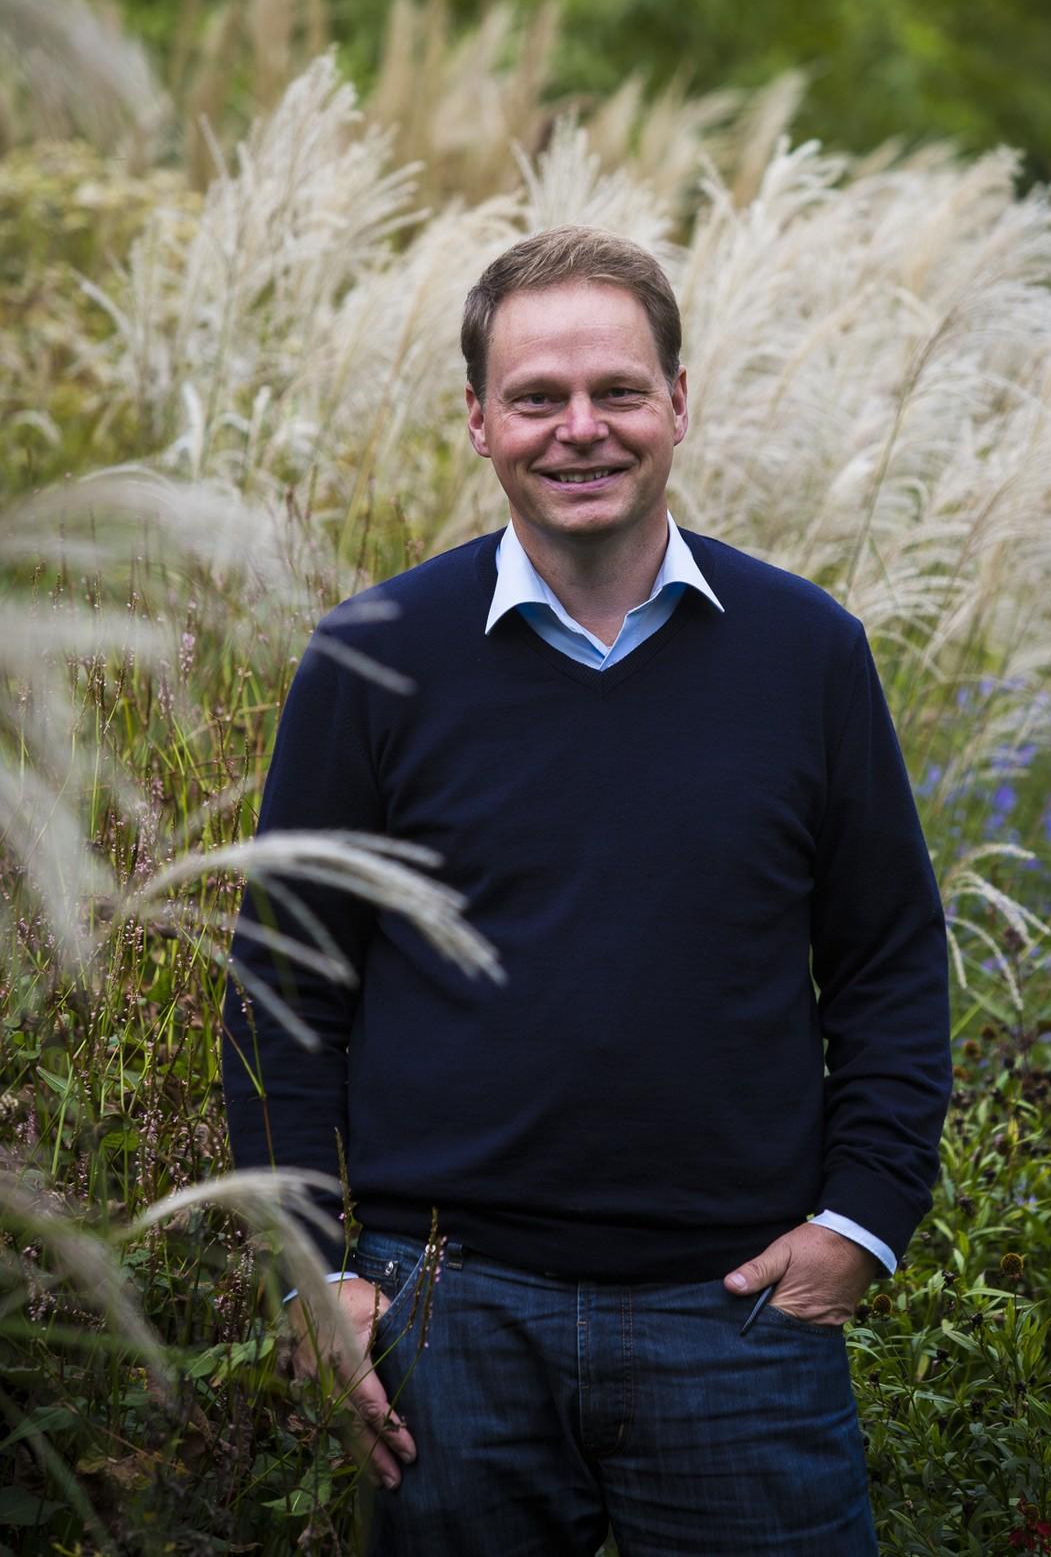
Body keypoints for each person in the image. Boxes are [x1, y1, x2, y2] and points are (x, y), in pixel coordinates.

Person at [222, 225, 952, 1555]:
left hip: (736, 1317)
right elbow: (282, 991)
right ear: (478, 423)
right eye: (537, 398)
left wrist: (863, 1220)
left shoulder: (808, 655)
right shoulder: (373, 658)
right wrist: (314, 1268)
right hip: (449, 1322)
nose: (581, 430)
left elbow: (891, 961)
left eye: (617, 391)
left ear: (678, 401)